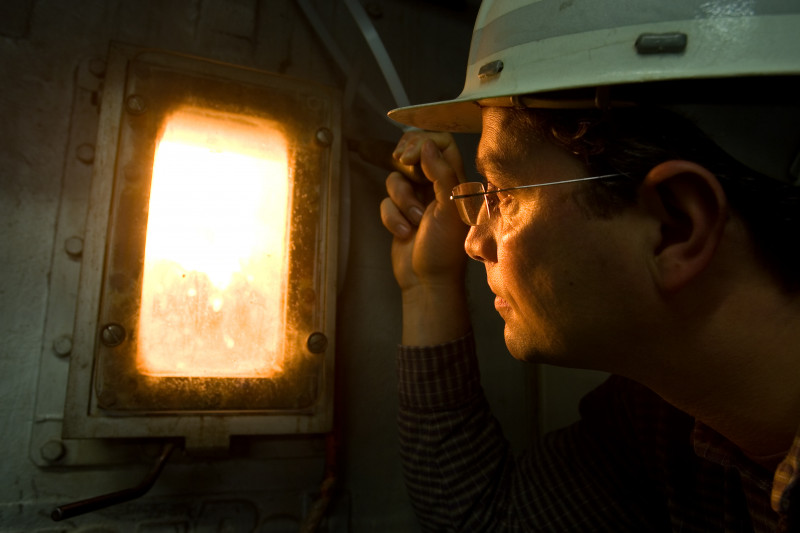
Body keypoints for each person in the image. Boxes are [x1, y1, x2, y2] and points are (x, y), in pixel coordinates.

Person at [379, 1, 800, 531]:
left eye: (502, 195)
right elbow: (487, 518)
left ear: (675, 225)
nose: (474, 241)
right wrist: (428, 287)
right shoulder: (662, 426)